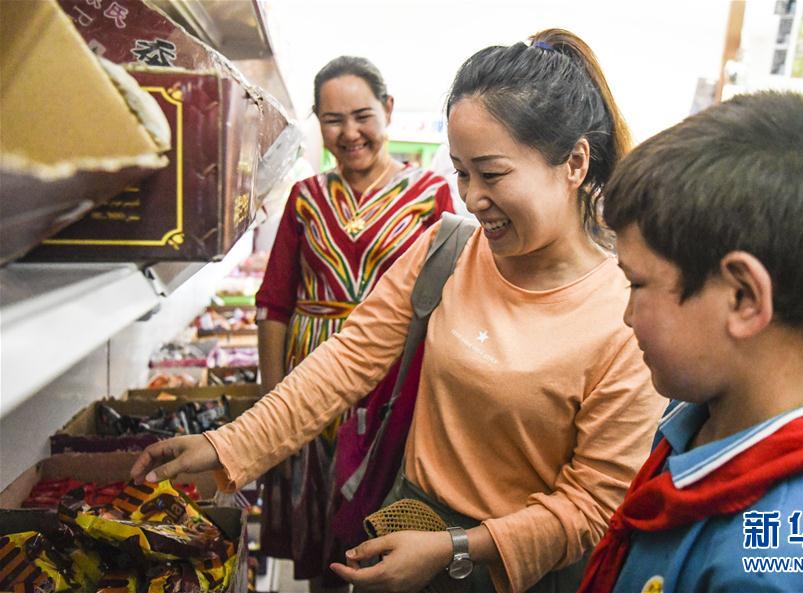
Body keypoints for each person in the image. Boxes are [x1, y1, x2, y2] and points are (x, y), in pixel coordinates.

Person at [132, 29, 666, 593]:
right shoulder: (450, 250)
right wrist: (225, 443)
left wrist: (453, 549)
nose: (472, 196)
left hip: (514, 571)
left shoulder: (626, 313)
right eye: (461, 172)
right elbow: (347, 362)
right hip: (407, 527)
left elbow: (593, 504)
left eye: (492, 173)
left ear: (576, 162)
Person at [577, 91, 803, 593]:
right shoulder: (702, 418)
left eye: (637, 284)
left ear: (743, 297)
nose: (628, 316)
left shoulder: (777, 569)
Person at [253, 55, 455, 591]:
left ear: (388, 110)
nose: (349, 133)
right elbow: (274, 303)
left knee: (384, 530)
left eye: (362, 115)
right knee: (322, 548)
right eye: (332, 119)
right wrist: (273, 405)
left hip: (392, 386)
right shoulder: (305, 199)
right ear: (318, 123)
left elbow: (448, 300)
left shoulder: (431, 195)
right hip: (310, 392)